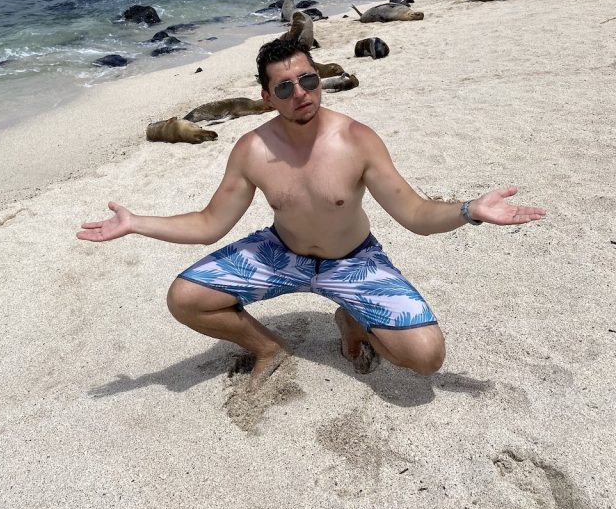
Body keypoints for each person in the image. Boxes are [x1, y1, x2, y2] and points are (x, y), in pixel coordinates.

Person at [77, 36, 546, 380]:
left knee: (425, 358)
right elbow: (208, 224)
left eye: (307, 80)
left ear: (319, 78)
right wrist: (136, 222)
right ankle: (269, 347)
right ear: (266, 97)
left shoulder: (356, 140)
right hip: (282, 254)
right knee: (185, 299)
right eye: (284, 88)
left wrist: (468, 210)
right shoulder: (252, 150)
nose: (300, 93)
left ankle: (351, 316)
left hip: (354, 260)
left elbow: (416, 214)